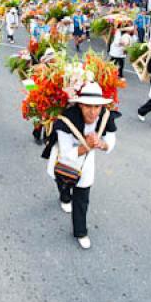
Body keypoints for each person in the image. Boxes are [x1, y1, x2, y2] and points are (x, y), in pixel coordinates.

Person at [42, 82, 119, 249]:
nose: (93, 112)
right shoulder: (67, 119)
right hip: (63, 159)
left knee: (82, 197)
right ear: (80, 105)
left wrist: (102, 144)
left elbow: (111, 140)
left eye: (97, 107)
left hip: (86, 163)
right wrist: (87, 146)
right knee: (63, 184)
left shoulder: (106, 116)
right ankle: (64, 197)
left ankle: (81, 231)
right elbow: (66, 153)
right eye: (88, 107)